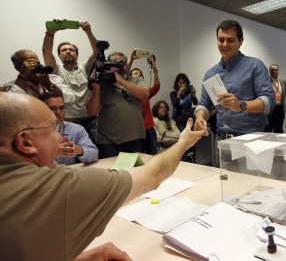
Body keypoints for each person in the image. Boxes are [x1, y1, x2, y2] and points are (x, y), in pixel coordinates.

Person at [0, 93, 204, 260]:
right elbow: (153, 175)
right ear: (25, 142)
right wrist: (184, 142)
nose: (60, 137)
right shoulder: (57, 188)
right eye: (52, 129)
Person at [194, 20, 275, 140]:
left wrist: (241, 105)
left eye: (230, 40)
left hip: (251, 140)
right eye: (221, 40)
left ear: (240, 41)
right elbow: (204, 104)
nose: (224, 44)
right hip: (221, 141)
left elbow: (268, 102)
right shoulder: (210, 74)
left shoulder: (255, 66)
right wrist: (200, 117)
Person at [42, 19, 99, 142]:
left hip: (91, 122)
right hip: (67, 124)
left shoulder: (85, 67)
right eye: (64, 50)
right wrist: (50, 33)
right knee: (69, 156)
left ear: (77, 54)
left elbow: (97, 51)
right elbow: (46, 51)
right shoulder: (55, 69)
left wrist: (88, 32)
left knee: (94, 155)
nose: (68, 51)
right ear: (59, 55)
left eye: (71, 50)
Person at [86, 52, 149, 159]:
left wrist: (121, 81)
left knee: (136, 172)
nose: (120, 67)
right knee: (112, 173)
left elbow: (145, 95)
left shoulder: (136, 80)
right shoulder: (102, 84)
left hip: (135, 139)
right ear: (107, 66)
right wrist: (96, 88)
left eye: (122, 64)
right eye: (115, 64)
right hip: (109, 142)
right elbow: (92, 112)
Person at [39, 92, 98, 165]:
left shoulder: (76, 129)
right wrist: (51, 153)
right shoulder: (32, 131)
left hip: (69, 173)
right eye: (53, 109)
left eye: (61, 108)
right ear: (41, 110)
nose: (58, 113)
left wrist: (80, 150)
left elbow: (94, 155)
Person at [3, 50, 75, 105]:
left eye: (38, 63)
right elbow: (13, 103)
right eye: (30, 63)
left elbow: (70, 100)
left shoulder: (54, 79)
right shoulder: (11, 86)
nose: (36, 66)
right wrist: (23, 75)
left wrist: (49, 85)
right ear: (18, 68)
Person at [126, 48, 161, 155]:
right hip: (135, 131)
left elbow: (156, 86)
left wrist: (154, 69)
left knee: (152, 157)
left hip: (149, 130)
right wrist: (131, 59)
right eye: (135, 73)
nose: (138, 75)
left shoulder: (145, 93)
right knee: (138, 157)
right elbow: (123, 75)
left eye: (140, 74)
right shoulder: (125, 93)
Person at [264, 64, 286, 133]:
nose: (274, 71)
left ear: (278, 71)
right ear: (269, 72)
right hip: (270, 108)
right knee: (268, 129)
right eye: (272, 70)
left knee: (279, 129)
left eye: (275, 70)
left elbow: (284, 95)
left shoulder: (283, 82)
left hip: (280, 109)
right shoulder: (266, 82)